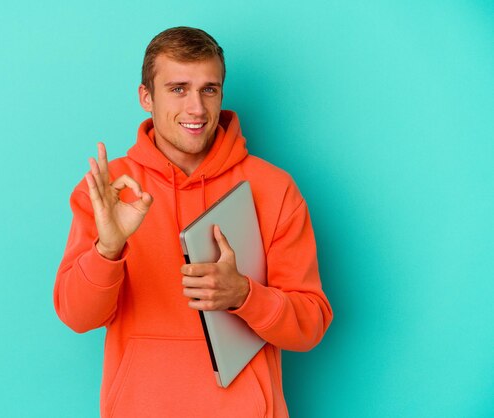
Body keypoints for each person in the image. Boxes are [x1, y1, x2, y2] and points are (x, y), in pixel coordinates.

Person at [54, 26, 332, 418]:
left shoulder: (274, 188)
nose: (196, 109)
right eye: (178, 89)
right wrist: (108, 248)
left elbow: (310, 325)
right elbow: (77, 316)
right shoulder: (110, 190)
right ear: (146, 97)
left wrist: (245, 296)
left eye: (209, 89)